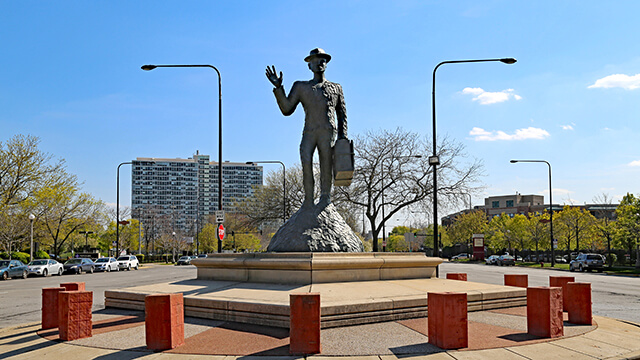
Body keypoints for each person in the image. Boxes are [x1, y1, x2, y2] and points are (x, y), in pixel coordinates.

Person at [266, 48, 348, 208]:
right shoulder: (300, 87)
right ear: (309, 66)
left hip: (328, 131)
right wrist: (279, 88)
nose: (319, 62)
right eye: (315, 60)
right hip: (309, 131)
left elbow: (342, 114)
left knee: (326, 164)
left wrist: (343, 136)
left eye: (323, 60)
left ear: (326, 64)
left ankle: (325, 198)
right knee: (306, 162)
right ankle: (308, 200)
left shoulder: (336, 88)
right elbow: (287, 109)